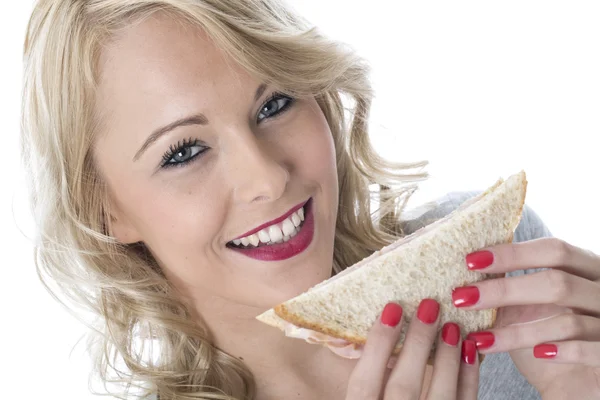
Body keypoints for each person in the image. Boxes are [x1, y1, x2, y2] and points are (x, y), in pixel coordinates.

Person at [20, 1, 600, 399]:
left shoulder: (506, 278)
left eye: (275, 105)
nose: (266, 178)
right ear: (106, 211)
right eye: (184, 152)